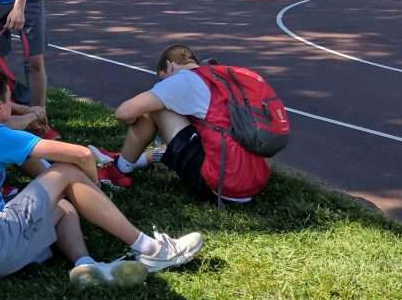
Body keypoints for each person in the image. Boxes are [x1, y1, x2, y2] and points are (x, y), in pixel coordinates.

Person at [0, 70, 203, 284]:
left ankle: (85, 265)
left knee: (62, 205)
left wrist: (69, 190)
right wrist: (91, 186)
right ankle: (150, 249)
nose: (11, 107)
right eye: (9, 101)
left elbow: (20, 146)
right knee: (68, 170)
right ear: (0, 107)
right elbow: (82, 155)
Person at [97, 45, 272, 205]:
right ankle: (129, 160)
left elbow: (124, 112)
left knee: (156, 106)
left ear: (170, 66)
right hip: (254, 181)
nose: (162, 84)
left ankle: (118, 169)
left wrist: (135, 121)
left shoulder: (183, 80)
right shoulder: (218, 79)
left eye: (162, 79)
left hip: (222, 185)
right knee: (198, 133)